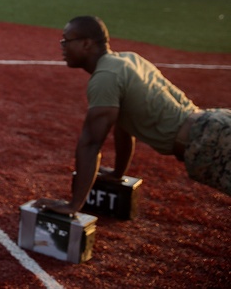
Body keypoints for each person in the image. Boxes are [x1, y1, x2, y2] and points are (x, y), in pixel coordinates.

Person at [35, 15, 231, 217]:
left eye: (67, 40)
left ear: (86, 43)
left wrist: (73, 205)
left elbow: (91, 144)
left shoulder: (105, 77)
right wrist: (117, 174)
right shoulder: (128, 59)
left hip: (209, 142)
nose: (62, 46)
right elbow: (124, 128)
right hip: (216, 124)